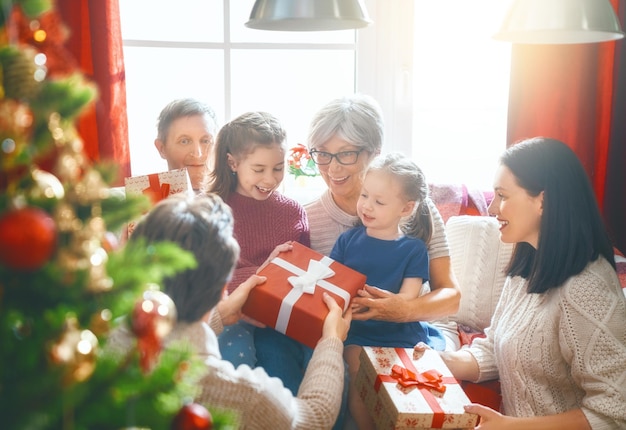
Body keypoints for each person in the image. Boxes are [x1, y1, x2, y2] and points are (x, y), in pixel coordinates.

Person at [415, 137, 626, 429]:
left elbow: (615, 412)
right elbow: (494, 348)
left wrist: (510, 426)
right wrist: (442, 361)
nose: (491, 208)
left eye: (502, 195)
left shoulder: (587, 287)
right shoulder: (527, 264)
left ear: (543, 200)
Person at [107, 193, 352, 429]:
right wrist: (331, 340)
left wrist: (220, 315)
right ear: (224, 287)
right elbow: (315, 417)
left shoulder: (99, 340)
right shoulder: (243, 396)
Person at [304, 93, 460, 325]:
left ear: (375, 152)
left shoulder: (415, 208)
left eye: (346, 153)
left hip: (414, 333)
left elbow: (451, 296)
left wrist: (404, 309)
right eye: (323, 153)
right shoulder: (306, 219)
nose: (333, 168)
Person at [330, 153, 446, 429]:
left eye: (379, 202)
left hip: (399, 333)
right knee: (357, 368)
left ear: (405, 209)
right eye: (365, 196)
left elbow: (407, 299)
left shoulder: (413, 249)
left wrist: (382, 305)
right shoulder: (347, 241)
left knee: (399, 378)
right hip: (357, 332)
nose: (366, 206)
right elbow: (333, 286)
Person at [206, 111, 310, 370]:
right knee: (236, 361)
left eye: (278, 168)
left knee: (288, 368)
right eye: (259, 169)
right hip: (230, 312)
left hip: (279, 318)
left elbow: (306, 275)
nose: (270, 179)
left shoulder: (292, 212)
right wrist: (264, 272)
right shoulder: (210, 209)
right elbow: (203, 278)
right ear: (232, 163)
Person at [154, 98, 218, 192]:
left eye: (205, 141)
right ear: (162, 149)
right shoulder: (140, 202)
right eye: (184, 141)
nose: (197, 154)